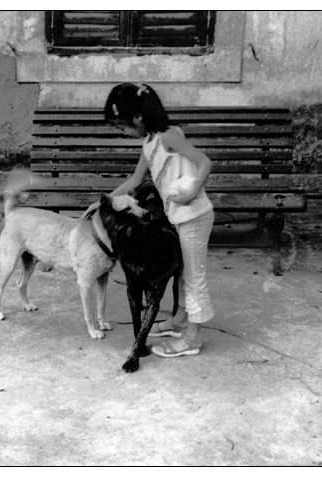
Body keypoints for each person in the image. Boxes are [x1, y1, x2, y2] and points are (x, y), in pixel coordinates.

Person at [86, 82, 215, 358]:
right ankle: (180, 320)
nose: (124, 133)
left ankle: (193, 338)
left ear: (138, 118)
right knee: (180, 272)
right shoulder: (149, 143)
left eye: (123, 127)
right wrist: (103, 202)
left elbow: (205, 162)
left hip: (194, 215)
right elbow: (135, 180)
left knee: (193, 276)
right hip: (177, 216)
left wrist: (192, 190)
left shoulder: (170, 136)